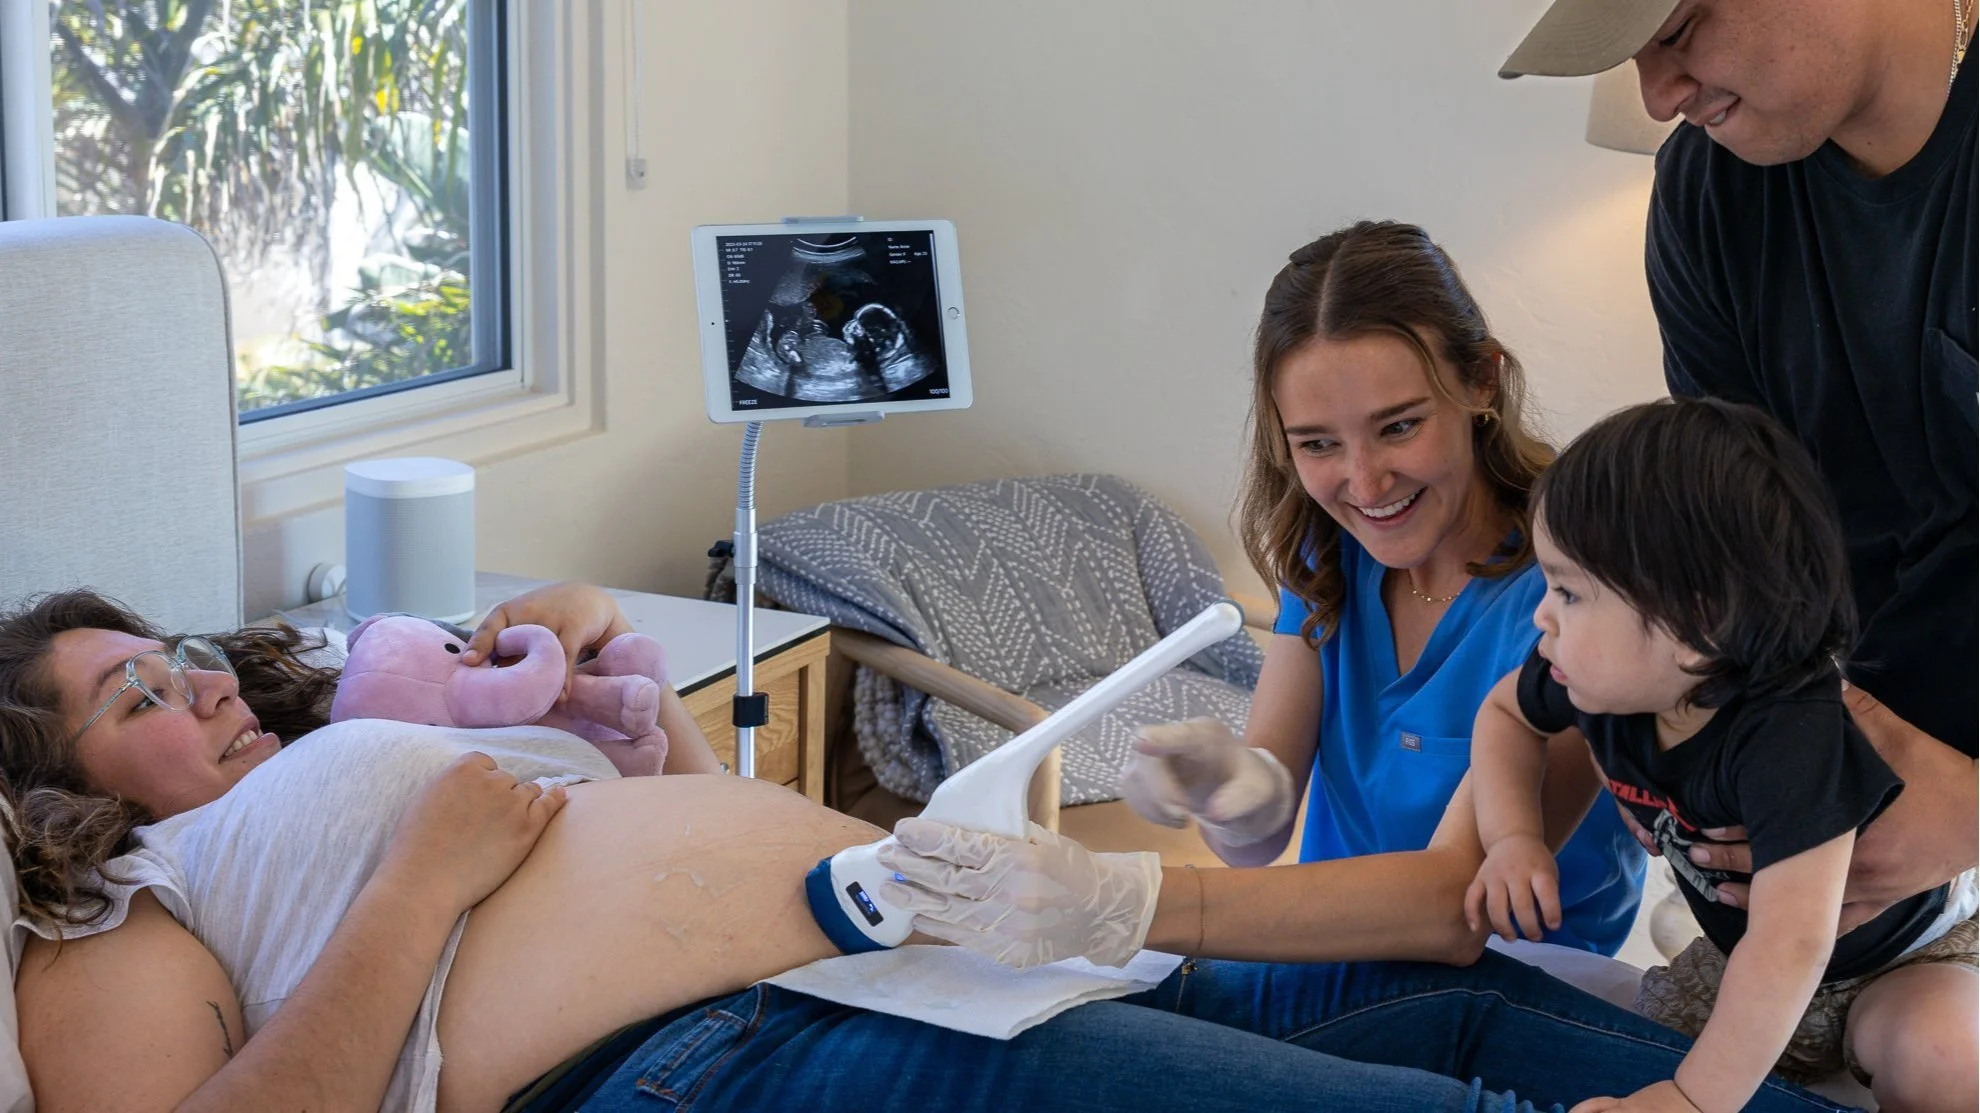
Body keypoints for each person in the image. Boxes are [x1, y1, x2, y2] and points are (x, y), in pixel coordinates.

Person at [0, 583, 1848, 1113]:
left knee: (1458, 1022)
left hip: (890, 964)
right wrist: (419, 875)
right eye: (121, 693)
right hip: (705, 1051)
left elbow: (565, 619)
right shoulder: (118, 908)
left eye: (170, 642)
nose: (184, 678)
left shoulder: (330, 729)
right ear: (50, 780)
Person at [1499, 0, 1978, 944]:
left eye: (1676, 31)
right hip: (1831, 821)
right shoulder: (1709, 196)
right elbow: (1738, 548)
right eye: (1631, 55)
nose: (1657, 94)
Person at [1044, 218, 1644, 954]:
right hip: (1333, 958)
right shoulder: (1330, 549)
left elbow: (1452, 906)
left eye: (1398, 427)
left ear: (1481, 380)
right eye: (1319, 443)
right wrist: (1231, 788)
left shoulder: (1583, 582)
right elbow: (1253, 844)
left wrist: (1129, 900)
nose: (1365, 483)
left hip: (1520, 982)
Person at [1466, 398, 1976, 1112]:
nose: (1539, 615)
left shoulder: (1789, 735)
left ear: (1696, 628)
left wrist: (1692, 1098)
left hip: (1896, 958)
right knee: (1595, 1063)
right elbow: (1503, 715)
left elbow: (1794, 941)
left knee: (1946, 1058)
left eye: (1568, 591)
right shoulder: (1594, 680)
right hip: (1737, 961)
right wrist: (1512, 836)